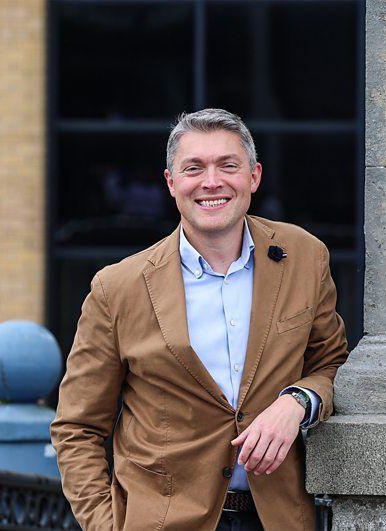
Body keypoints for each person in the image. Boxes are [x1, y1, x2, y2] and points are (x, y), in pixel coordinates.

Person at [51, 108, 349, 530]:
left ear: (254, 176)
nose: (212, 182)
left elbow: (333, 363)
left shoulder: (305, 256)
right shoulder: (117, 288)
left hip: (278, 518)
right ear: (172, 183)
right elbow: (77, 427)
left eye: (228, 165)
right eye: (194, 168)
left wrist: (297, 401)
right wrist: (105, 525)